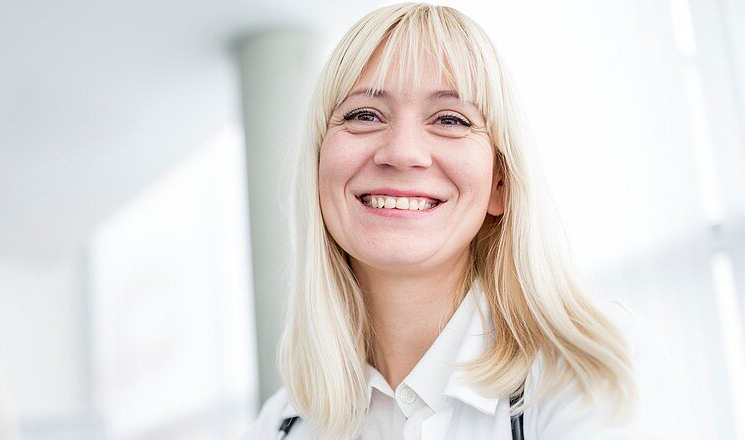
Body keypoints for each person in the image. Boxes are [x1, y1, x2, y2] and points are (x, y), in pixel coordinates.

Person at [240, 3, 695, 439]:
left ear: (500, 182)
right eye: (363, 114)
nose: (401, 152)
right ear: (318, 166)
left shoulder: (591, 364)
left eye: (451, 120)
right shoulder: (283, 421)